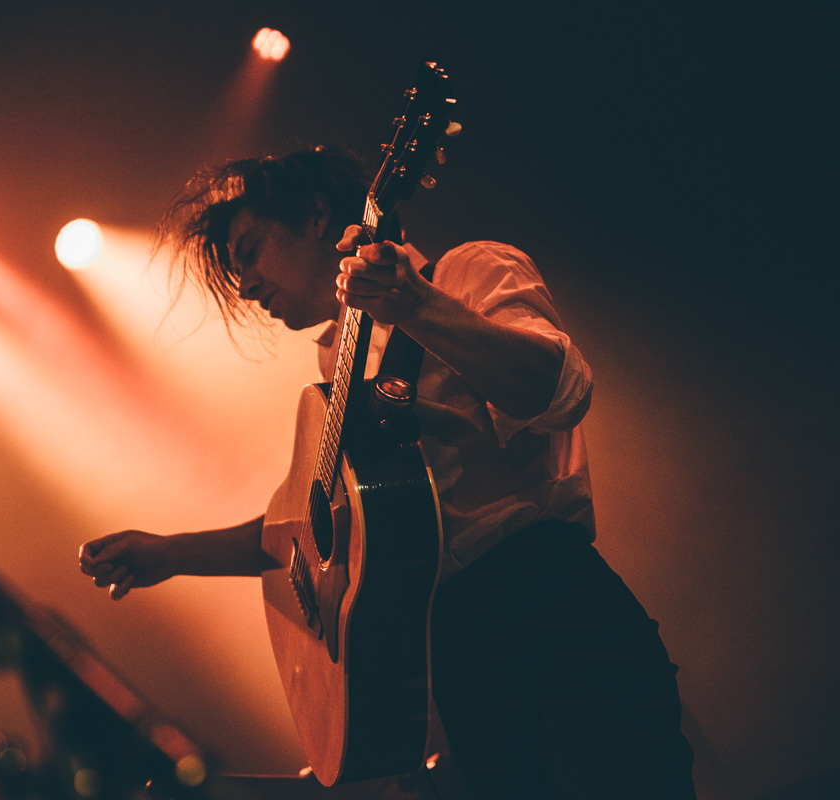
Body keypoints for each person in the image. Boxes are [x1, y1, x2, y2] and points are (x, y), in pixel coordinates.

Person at [79, 146, 696, 798]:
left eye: (251, 251)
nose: (246, 285)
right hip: (455, 656)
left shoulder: (468, 271)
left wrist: (418, 308)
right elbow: (311, 531)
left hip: (552, 610)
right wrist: (171, 553)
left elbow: (558, 392)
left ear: (319, 215)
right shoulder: (335, 371)